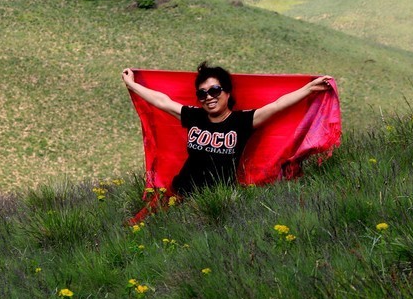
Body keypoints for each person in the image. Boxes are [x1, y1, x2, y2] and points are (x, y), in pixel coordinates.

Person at [122, 61, 332, 198]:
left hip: (218, 198)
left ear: (227, 92)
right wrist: (132, 85)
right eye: (202, 93)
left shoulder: (242, 121)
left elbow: (277, 105)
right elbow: (162, 101)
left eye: (214, 90)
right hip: (181, 194)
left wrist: (308, 88)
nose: (209, 97)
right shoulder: (194, 116)